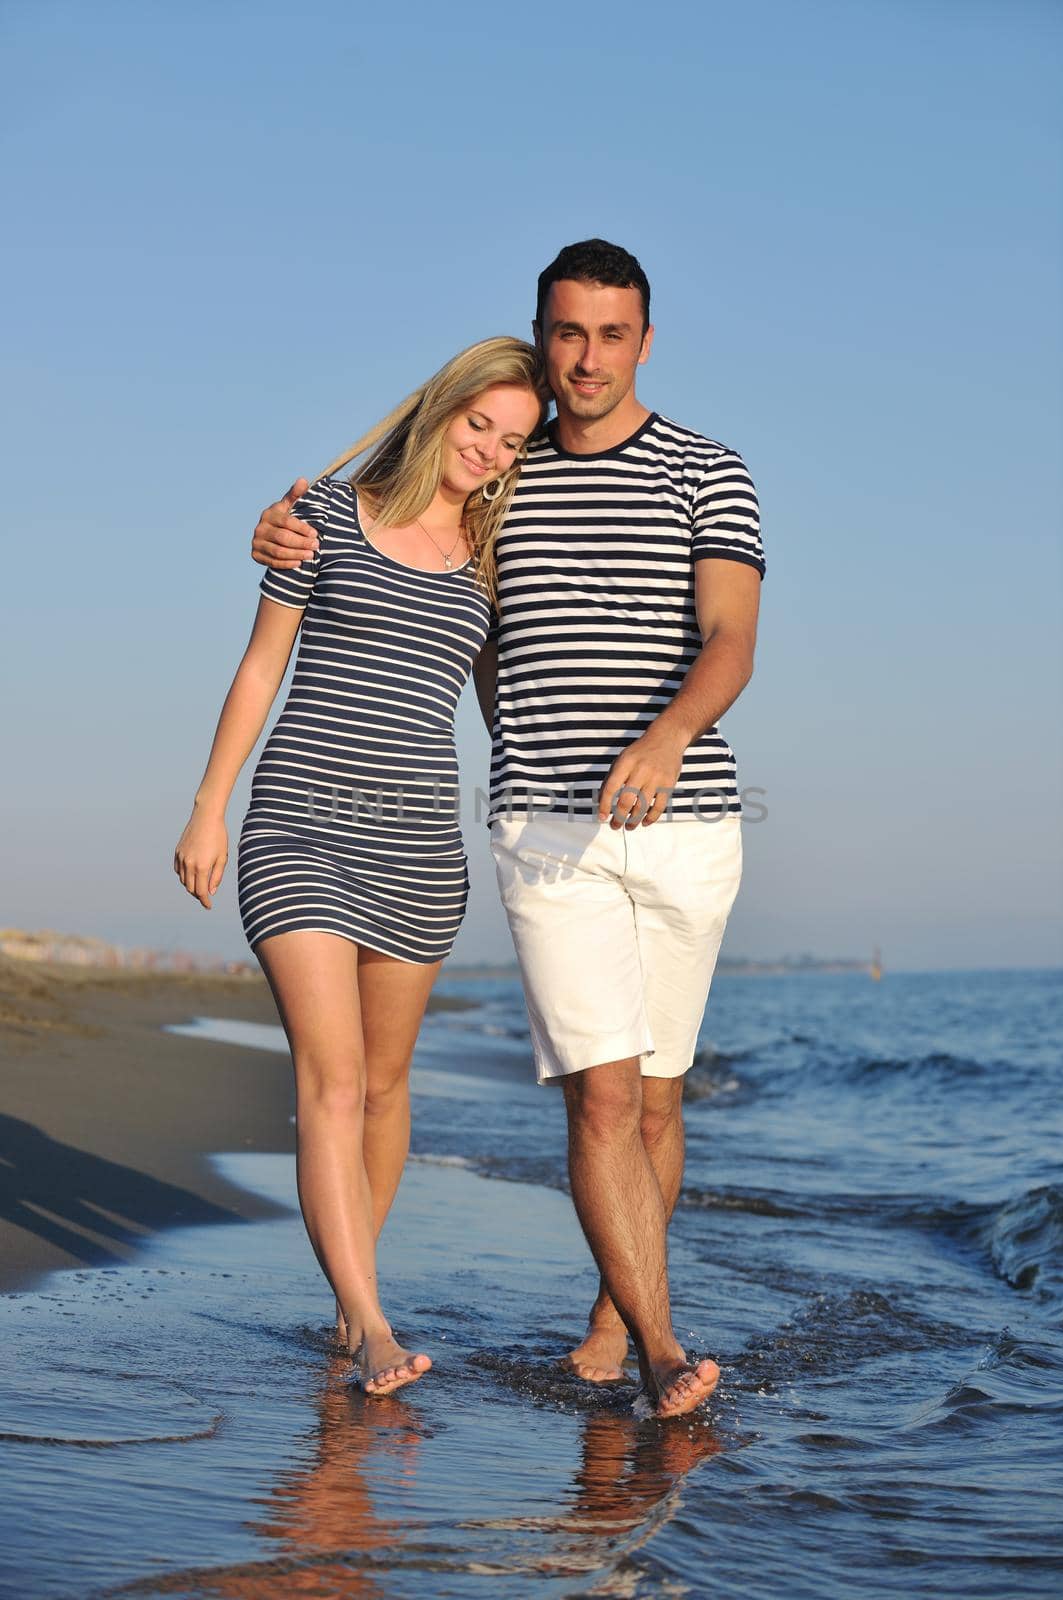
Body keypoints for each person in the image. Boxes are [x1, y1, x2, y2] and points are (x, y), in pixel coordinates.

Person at [252, 240, 765, 1419]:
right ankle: (658, 1347)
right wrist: (280, 536)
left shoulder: (707, 469)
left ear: (645, 339)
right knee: (597, 1094)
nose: (586, 358)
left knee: (654, 1100)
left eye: (612, 334)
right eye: (566, 333)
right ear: (541, 334)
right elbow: (391, 531)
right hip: (544, 827)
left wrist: (666, 734)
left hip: (688, 821)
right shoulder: (501, 479)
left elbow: (729, 640)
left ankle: (610, 1309)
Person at [174, 337, 548, 1396]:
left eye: (512, 441)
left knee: (384, 1087)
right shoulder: (323, 512)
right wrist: (209, 807)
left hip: (422, 847)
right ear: (440, 410)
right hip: (296, 825)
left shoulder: (493, 544)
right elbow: (261, 664)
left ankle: (348, 1300)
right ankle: (377, 1326)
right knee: (331, 1082)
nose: (488, 450)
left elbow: (496, 697)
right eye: (478, 424)